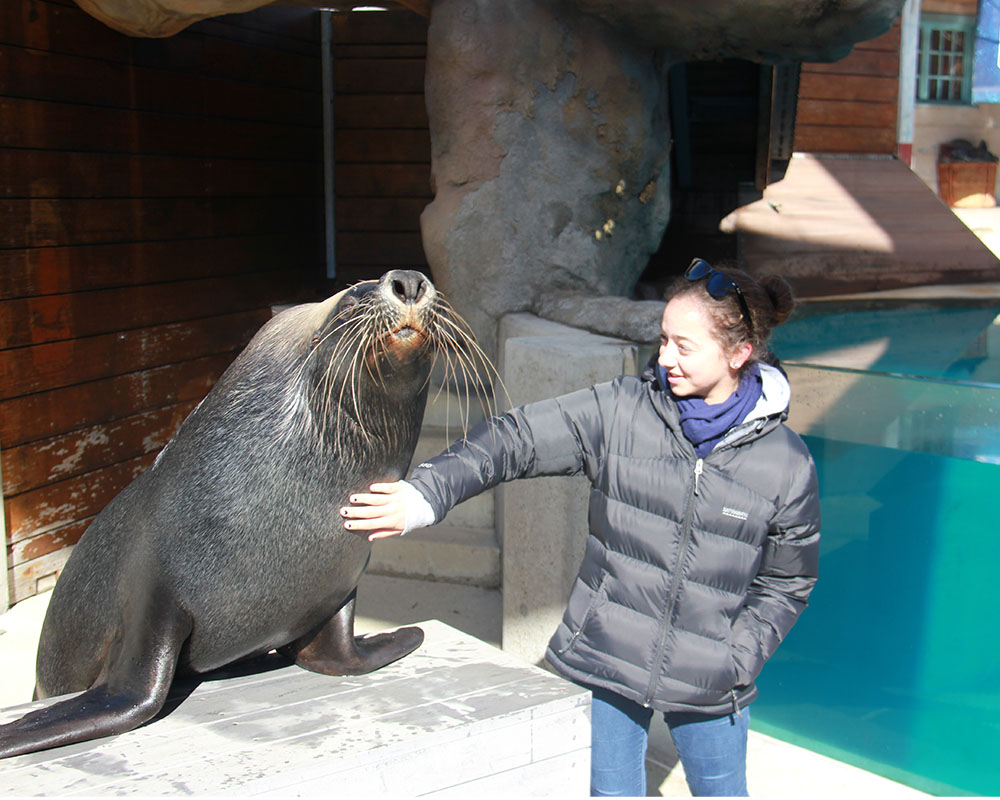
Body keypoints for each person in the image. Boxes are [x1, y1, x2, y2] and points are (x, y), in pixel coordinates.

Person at [341, 258, 821, 797]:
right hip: (606, 655)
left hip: (713, 677)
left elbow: (787, 583)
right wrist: (427, 494)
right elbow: (513, 438)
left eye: (684, 347)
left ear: (739, 354)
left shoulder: (787, 463)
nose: (665, 359)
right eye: (663, 340)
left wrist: (737, 657)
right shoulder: (621, 410)